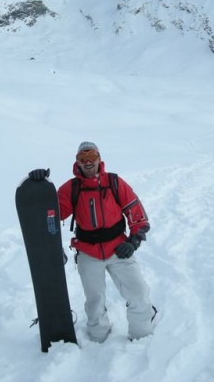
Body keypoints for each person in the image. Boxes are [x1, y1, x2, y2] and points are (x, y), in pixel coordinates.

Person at [32, 141, 156, 342]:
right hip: (88, 251)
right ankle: (99, 335)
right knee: (95, 301)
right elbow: (52, 214)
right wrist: (39, 188)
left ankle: (142, 334)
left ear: (99, 159)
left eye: (92, 157)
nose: (88, 162)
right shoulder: (72, 188)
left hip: (118, 248)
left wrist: (133, 242)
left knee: (138, 291)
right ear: (78, 163)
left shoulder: (115, 183)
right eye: (83, 158)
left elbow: (137, 214)